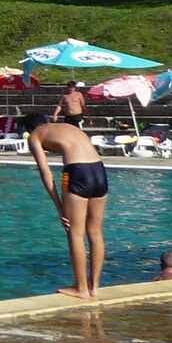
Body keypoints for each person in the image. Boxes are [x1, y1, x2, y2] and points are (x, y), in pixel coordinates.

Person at [18, 111, 108, 300]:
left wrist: (59, 207)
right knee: (95, 232)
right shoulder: (68, 127)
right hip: (99, 170)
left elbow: (45, 172)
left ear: (29, 129)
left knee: (75, 233)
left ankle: (81, 288)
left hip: (77, 172)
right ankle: (94, 287)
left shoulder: (34, 136)